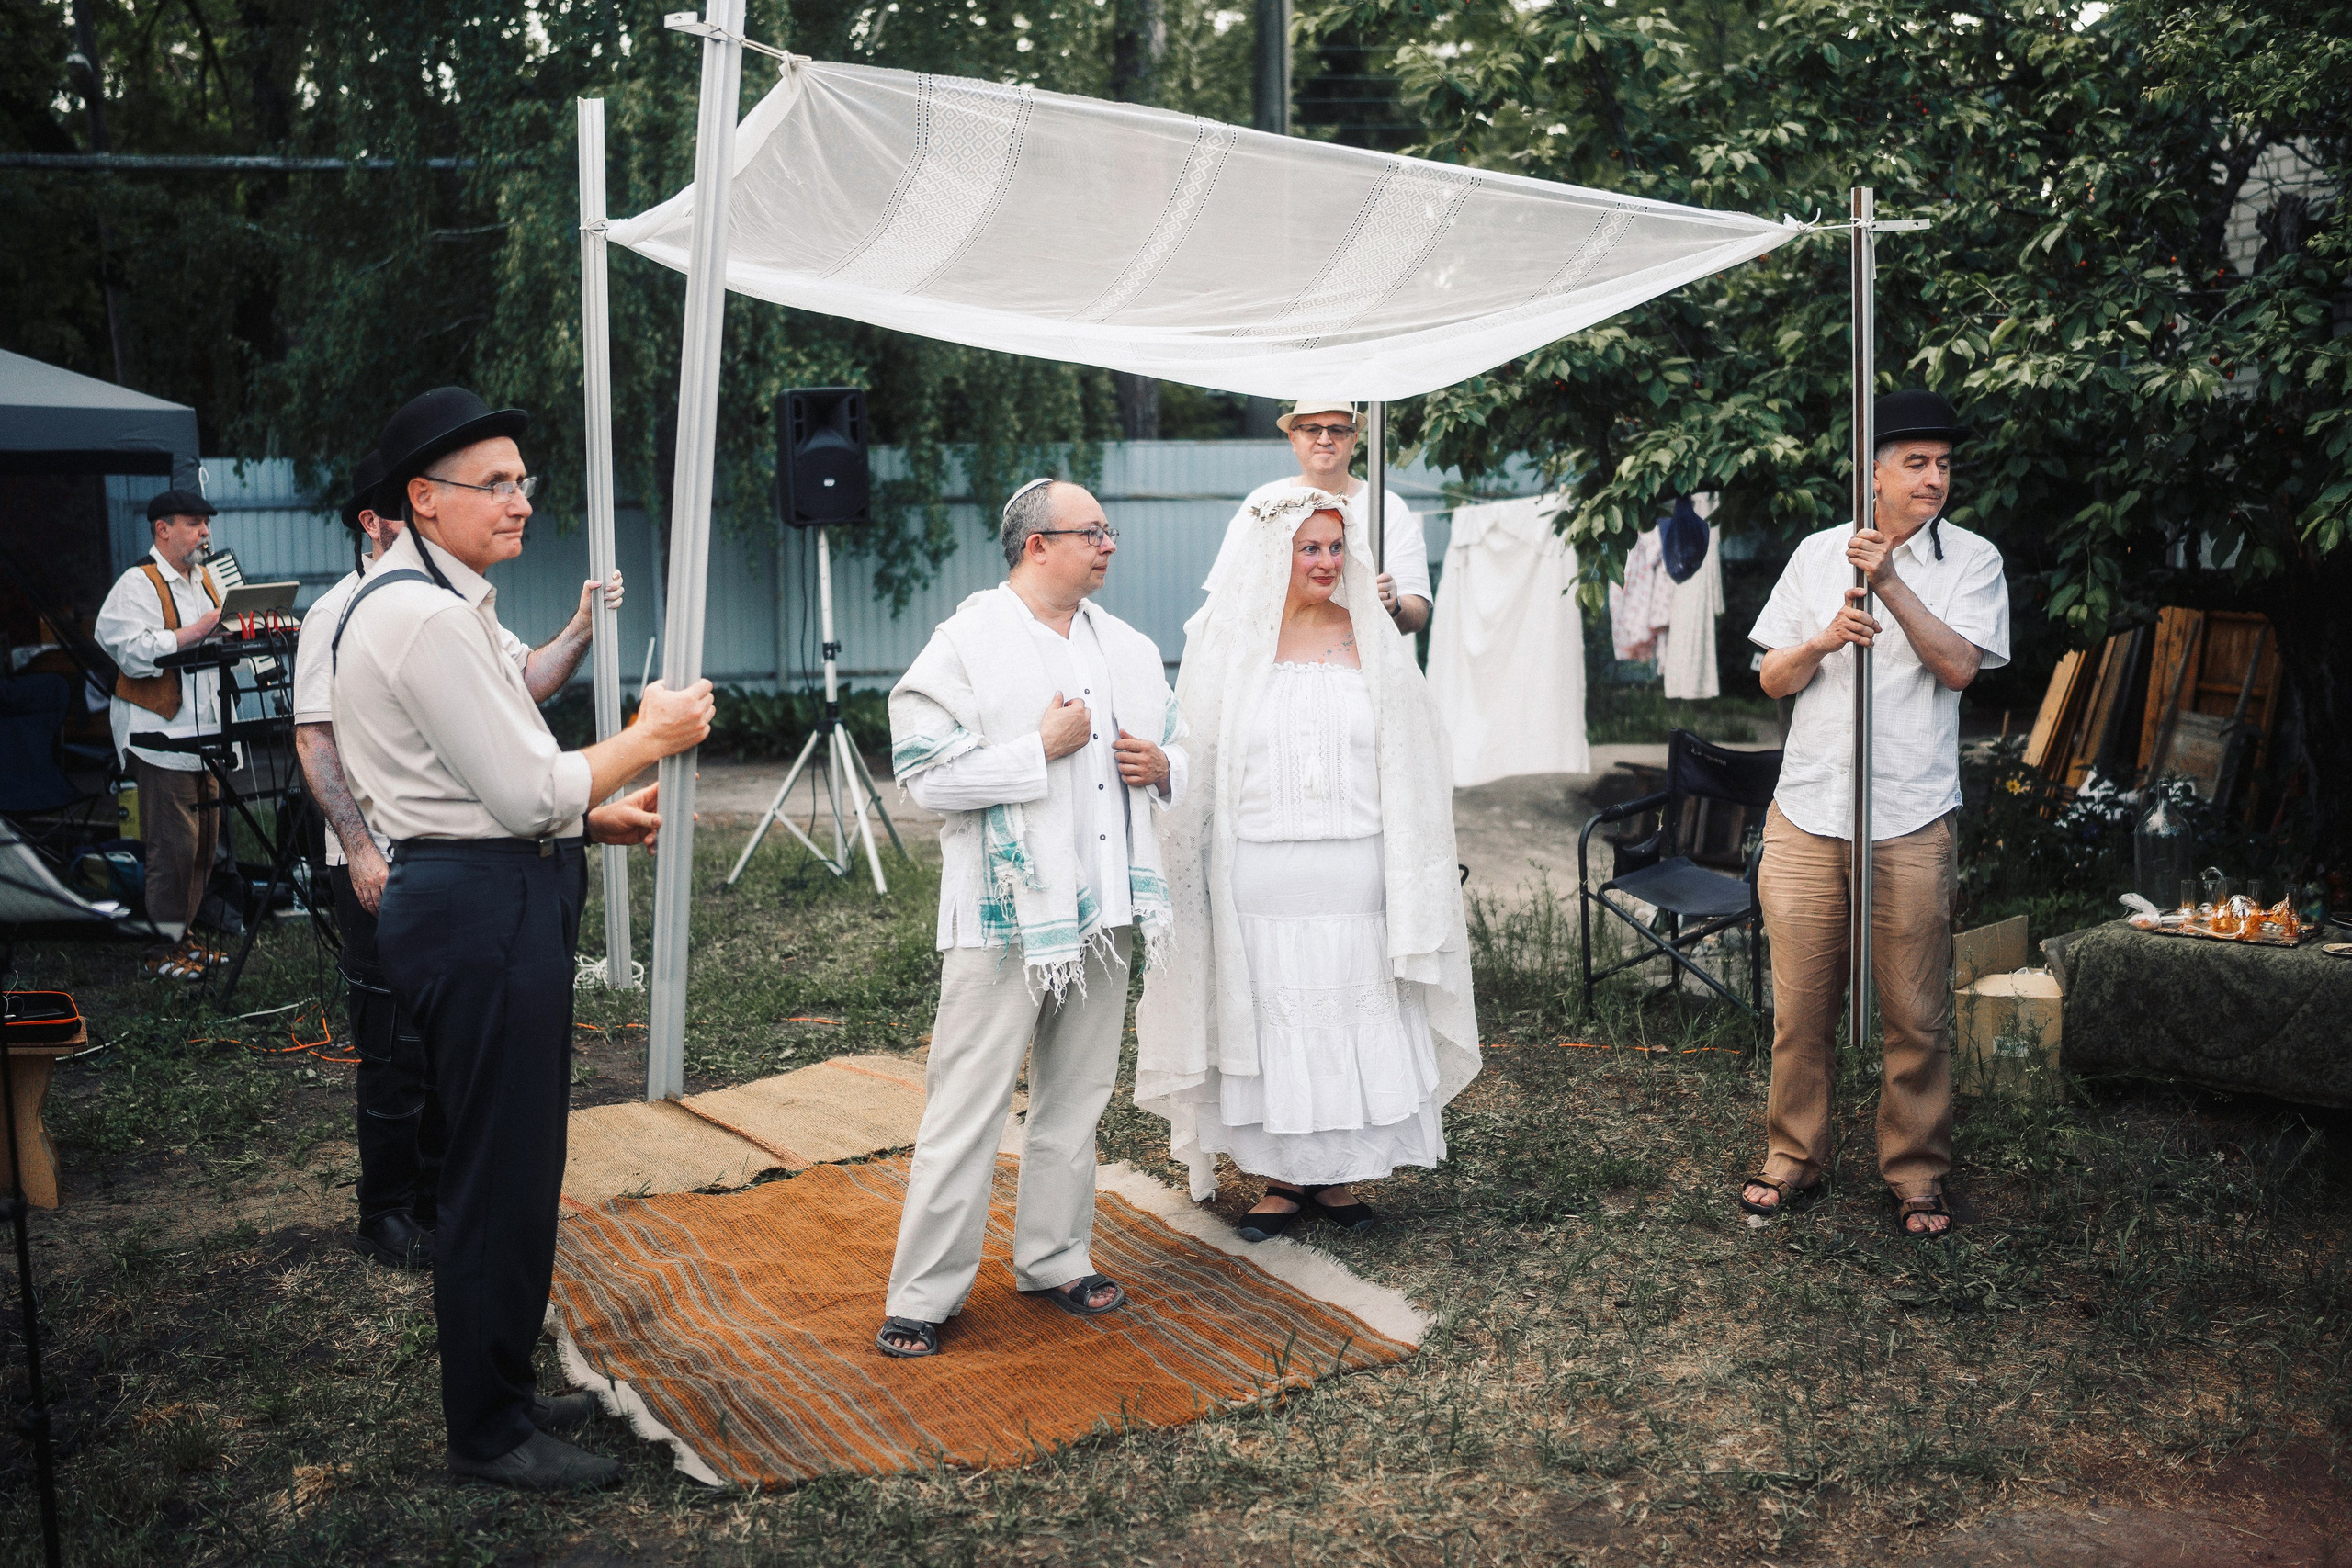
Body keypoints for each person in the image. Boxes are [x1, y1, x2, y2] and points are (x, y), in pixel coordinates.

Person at [331, 387, 713, 1491]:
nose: (517, 502)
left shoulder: (430, 604)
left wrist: (587, 815)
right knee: (500, 1171)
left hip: (476, 886)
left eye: (520, 482)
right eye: (491, 484)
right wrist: (649, 737)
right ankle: (487, 1433)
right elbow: (521, 783)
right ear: (420, 499)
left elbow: (472, 781)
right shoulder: (431, 615)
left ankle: (495, 1384)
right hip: (476, 905)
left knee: (504, 1162)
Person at [291, 450, 626, 1273]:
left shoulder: (459, 603)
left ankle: (445, 1200)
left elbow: (522, 685)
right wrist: (361, 850)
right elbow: (313, 735)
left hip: (465, 862)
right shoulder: (343, 612)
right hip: (384, 856)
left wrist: (581, 625)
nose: (510, 505)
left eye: (521, 483)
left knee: (453, 1055)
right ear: (385, 518)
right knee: (392, 1043)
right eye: (412, 512)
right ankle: (387, 1208)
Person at [877, 477, 1187, 1359]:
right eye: (1093, 531)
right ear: (1035, 544)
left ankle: (1054, 1256)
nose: (1110, 544)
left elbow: (1184, 746)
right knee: (966, 1102)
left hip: (1106, 908)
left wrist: (1164, 762)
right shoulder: (966, 642)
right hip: (1004, 914)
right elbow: (925, 775)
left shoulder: (1127, 646)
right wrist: (1035, 753)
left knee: (1077, 1096)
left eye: (1108, 529)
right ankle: (923, 1296)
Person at [1136, 490, 1480, 1234]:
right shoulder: (1230, 645)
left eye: (1334, 547)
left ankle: (1339, 1177)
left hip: (1357, 868)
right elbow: (1200, 752)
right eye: (1309, 549)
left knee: (1347, 1007)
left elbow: (1416, 750)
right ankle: (1281, 1180)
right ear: (1275, 555)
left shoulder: (1371, 638)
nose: (1326, 562)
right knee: (1272, 1017)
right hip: (1259, 871)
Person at [1738, 389, 2010, 1240]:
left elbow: (1960, 665)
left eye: (1944, 465)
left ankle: (1917, 1170)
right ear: (1875, 475)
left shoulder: (1972, 559)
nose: (1935, 479)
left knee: (1917, 1011)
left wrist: (1891, 583)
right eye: (1917, 464)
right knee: (1802, 1005)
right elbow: (1770, 678)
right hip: (1810, 806)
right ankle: (1794, 1155)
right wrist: (1820, 640)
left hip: (1910, 811)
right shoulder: (1818, 554)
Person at [95, 486, 228, 979]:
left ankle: (183, 940)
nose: (205, 532)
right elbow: (125, 646)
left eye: (205, 523)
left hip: (206, 734)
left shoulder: (207, 580)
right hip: (161, 736)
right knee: (172, 849)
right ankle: (160, 951)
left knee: (203, 846)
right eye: (194, 523)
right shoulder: (138, 583)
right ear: (162, 529)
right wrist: (199, 630)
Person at [1201, 400, 1432, 635]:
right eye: (1312, 430)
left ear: (1354, 439)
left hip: (1364, 665)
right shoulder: (1263, 501)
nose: (1324, 439)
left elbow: (1417, 611)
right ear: (1293, 438)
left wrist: (1394, 606)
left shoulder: (1386, 506)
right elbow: (1221, 598)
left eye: (1337, 430)